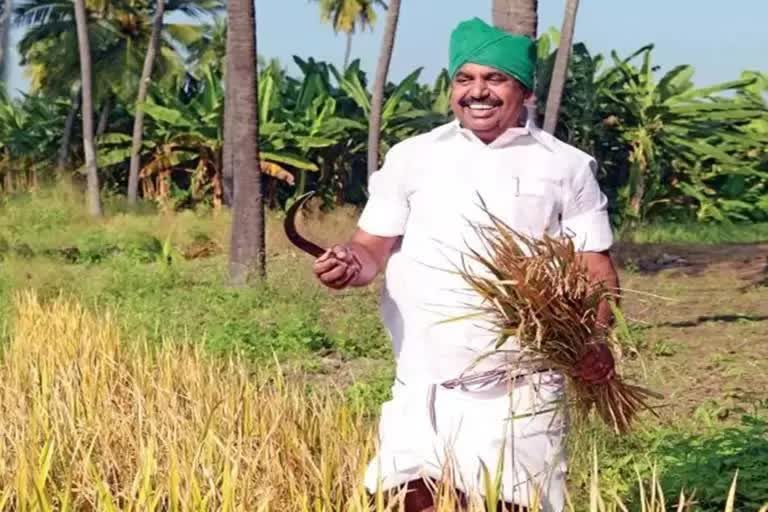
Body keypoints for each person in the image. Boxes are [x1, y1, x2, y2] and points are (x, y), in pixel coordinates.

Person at [312, 17, 619, 512]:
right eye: (465, 78)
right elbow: (372, 248)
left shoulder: (566, 166)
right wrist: (350, 264)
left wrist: (595, 340)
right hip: (423, 382)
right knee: (405, 500)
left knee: (512, 504)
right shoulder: (412, 157)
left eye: (494, 79)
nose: (478, 92)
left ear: (524, 91)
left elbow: (594, 268)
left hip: (520, 391)